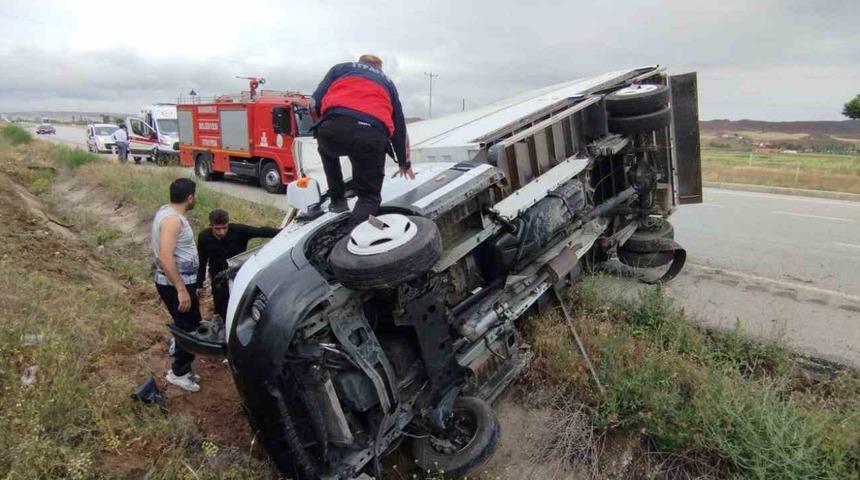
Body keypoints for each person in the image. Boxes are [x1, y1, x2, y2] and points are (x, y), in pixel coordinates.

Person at [311, 54, 414, 226]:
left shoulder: (340, 68)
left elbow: (314, 102)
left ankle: (337, 200)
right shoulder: (387, 83)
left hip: (333, 127)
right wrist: (404, 162)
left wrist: (319, 126)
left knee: (327, 151)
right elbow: (399, 127)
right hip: (371, 136)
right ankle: (349, 237)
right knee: (369, 198)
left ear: (360, 62)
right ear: (379, 68)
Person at [151, 178, 202, 392]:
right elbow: (165, 256)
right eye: (195, 196)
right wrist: (181, 289)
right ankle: (178, 373)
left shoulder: (167, 212)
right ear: (190, 197)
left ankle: (184, 367)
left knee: (189, 323)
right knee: (189, 328)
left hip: (179, 282)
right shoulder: (172, 220)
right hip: (175, 285)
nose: (195, 199)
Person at [197, 209, 281, 318]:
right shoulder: (204, 237)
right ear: (210, 225)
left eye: (224, 228)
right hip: (218, 280)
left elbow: (261, 231)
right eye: (217, 229)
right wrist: (199, 285)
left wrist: (285, 232)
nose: (222, 232)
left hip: (238, 277)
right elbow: (202, 262)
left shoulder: (238, 231)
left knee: (241, 307)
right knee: (221, 309)